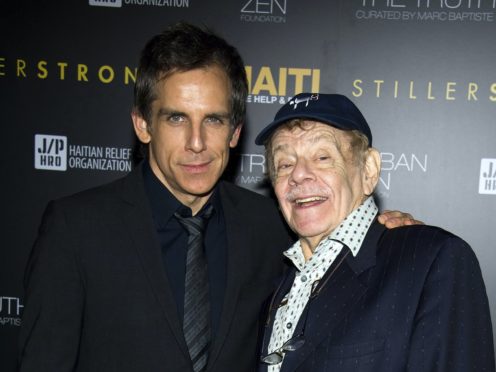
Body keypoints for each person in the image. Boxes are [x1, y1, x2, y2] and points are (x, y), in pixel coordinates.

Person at [17, 24, 419, 372]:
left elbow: (339, 249)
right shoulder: (76, 228)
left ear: (234, 132)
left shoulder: (273, 225)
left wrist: (383, 228)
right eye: (176, 118)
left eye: (213, 120)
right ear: (142, 124)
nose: (197, 143)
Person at [255, 92, 495, 372]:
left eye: (322, 157)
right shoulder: (275, 283)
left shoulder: (432, 262)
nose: (298, 175)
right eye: (285, 164)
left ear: (369, 170)